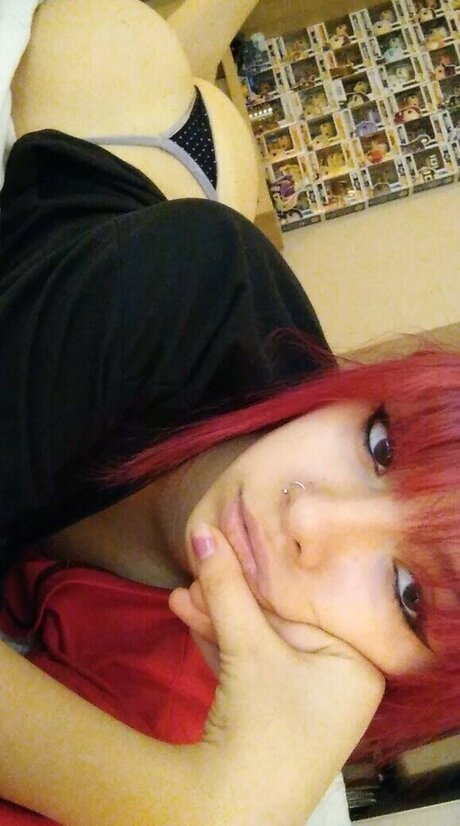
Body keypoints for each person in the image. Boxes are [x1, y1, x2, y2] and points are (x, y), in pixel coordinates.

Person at [0, 0, 458, 823]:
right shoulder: (173, 293)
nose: (310, 519)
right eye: (381, 446)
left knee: (211, 154)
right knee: (100, 32)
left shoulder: (237, 692)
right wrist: (188, 805)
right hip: (101, 226)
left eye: (408, 594)